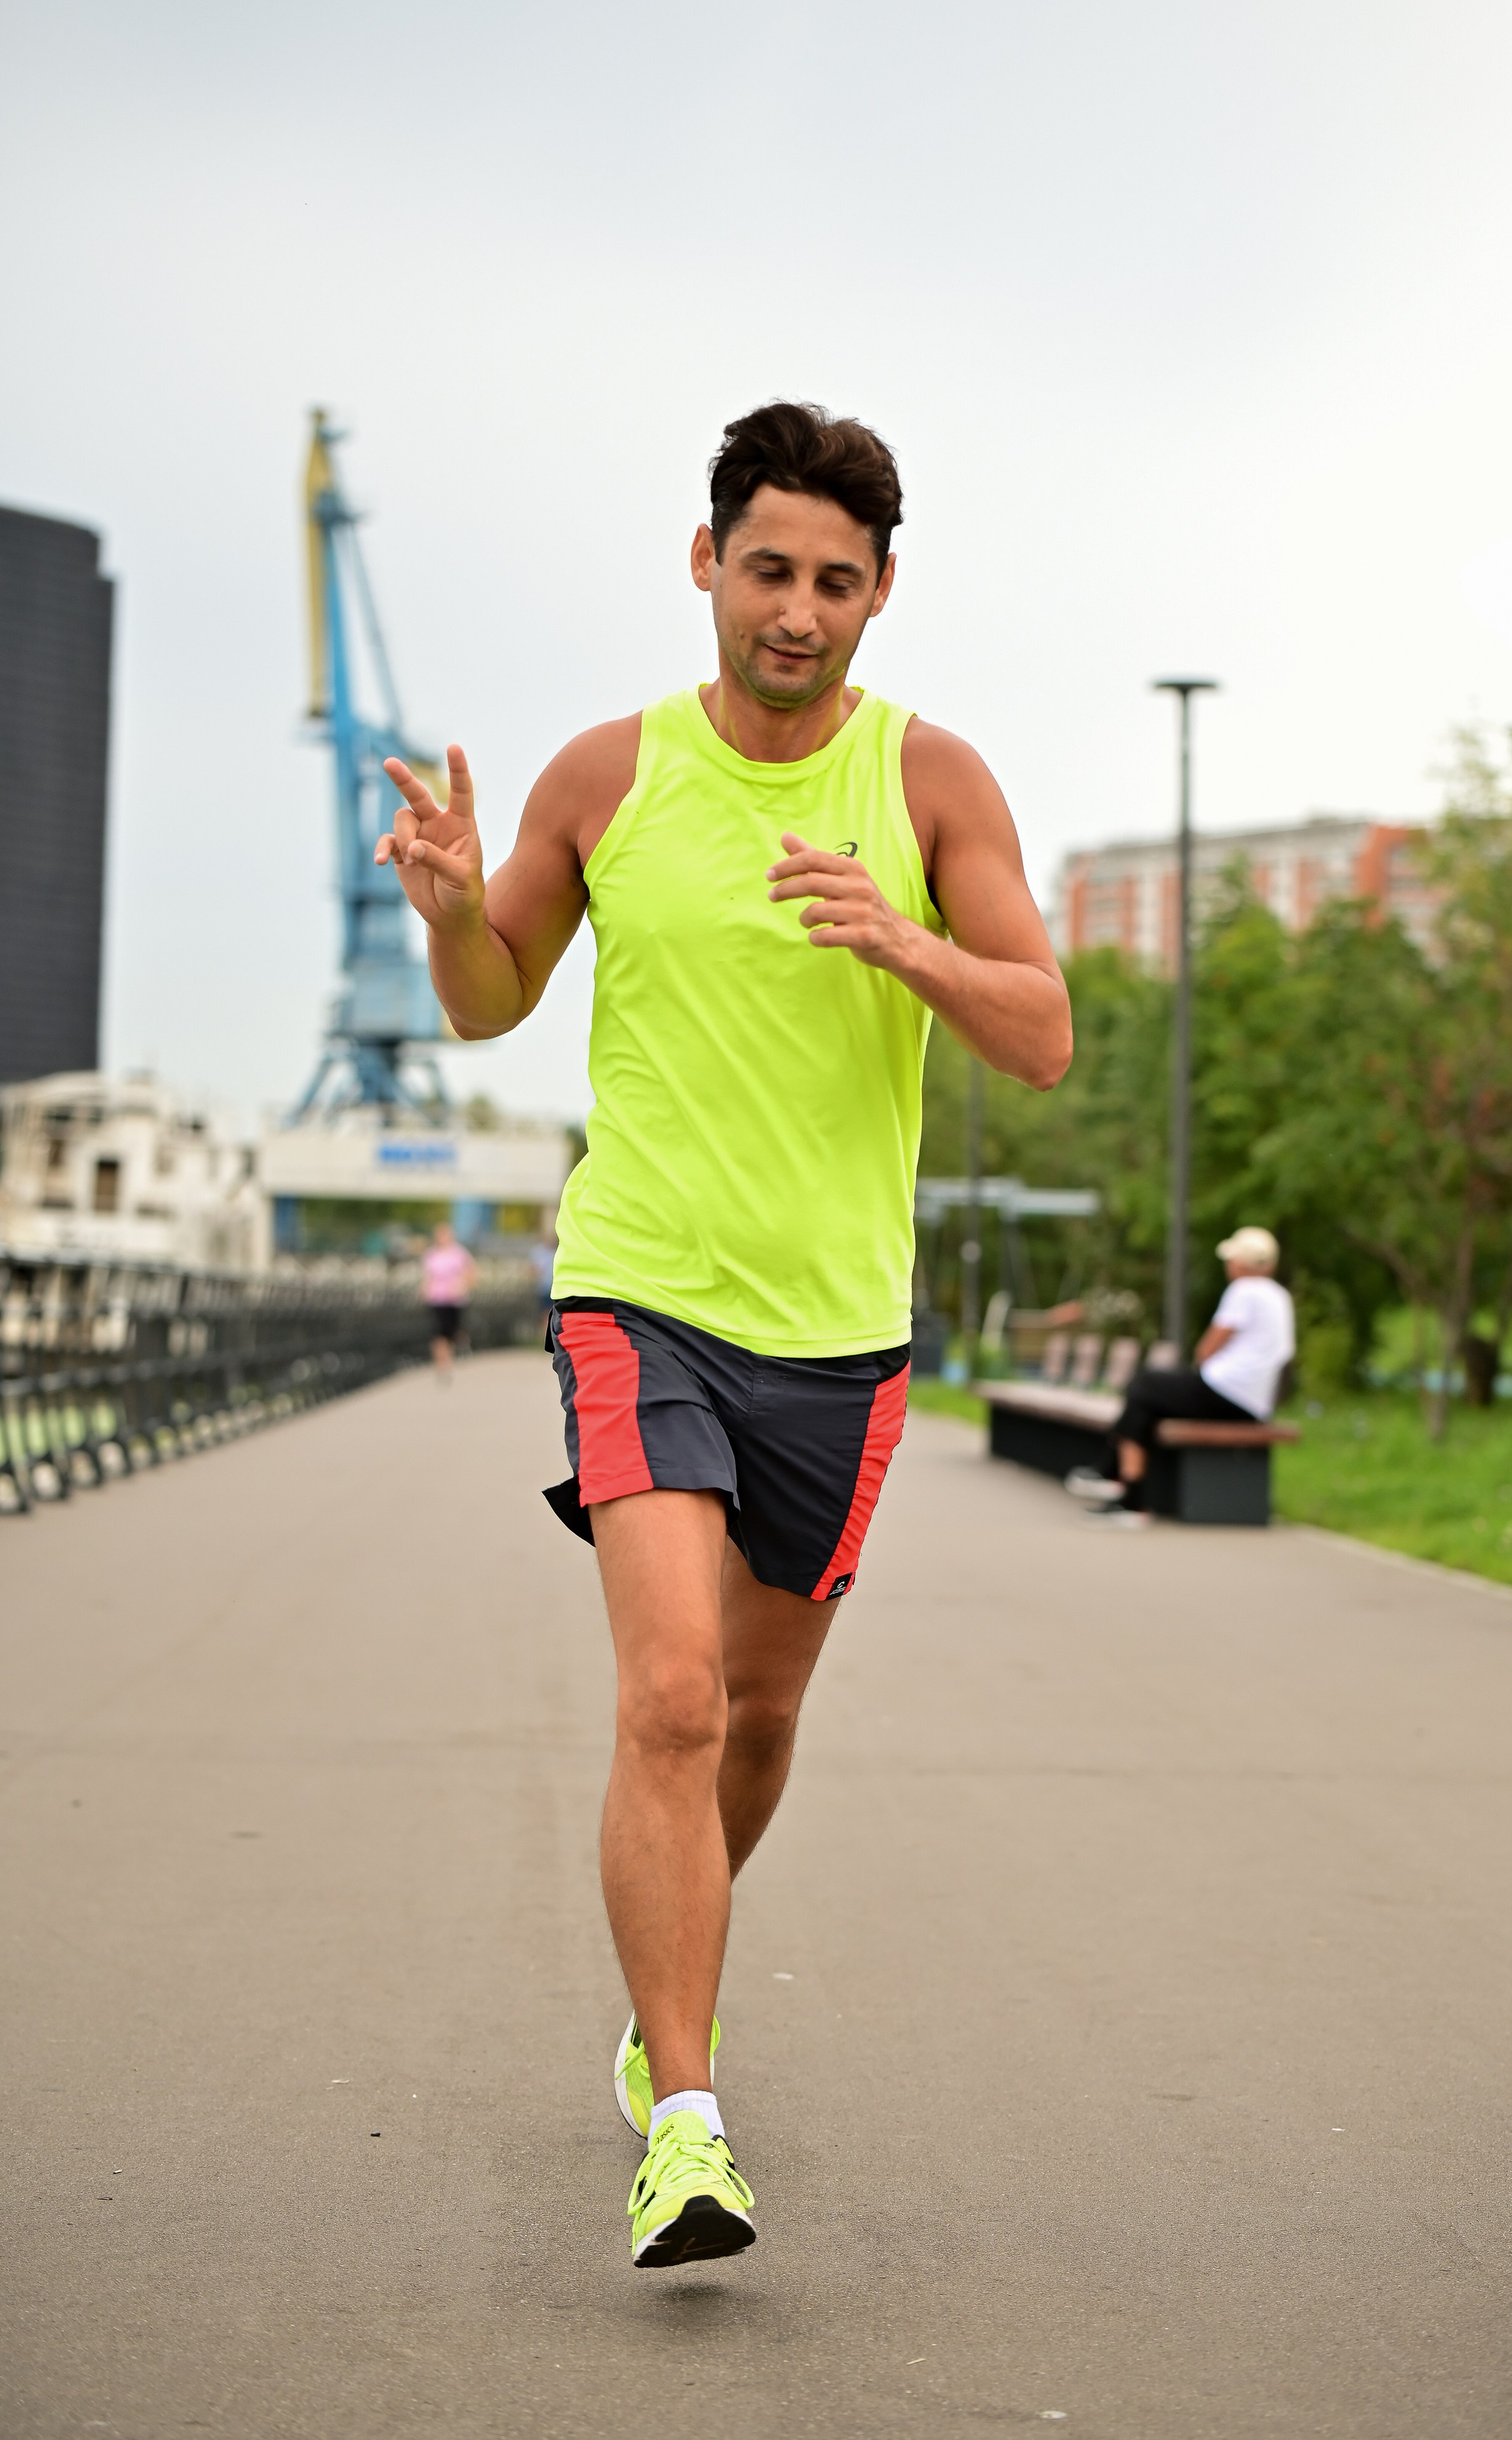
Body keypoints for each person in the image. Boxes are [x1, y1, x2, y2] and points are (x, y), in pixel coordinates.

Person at [373, 402, 1072, 2267]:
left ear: (882, 595)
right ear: (707, 563)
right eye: (768, 568)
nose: (798, 610)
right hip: (640, 1292)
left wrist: (909, 944)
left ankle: (651, 1992)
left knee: (757, 1719)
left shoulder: (936, 788)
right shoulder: (608, 776)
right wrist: (452, 913)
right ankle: (686, 2118)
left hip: (839, 1332)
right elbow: (489, 1004)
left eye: (838, 582)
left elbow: (1043, 1030)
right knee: (671, 1692)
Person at [1071, 1226, 1294, 1523]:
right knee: (1146, 1403)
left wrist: (1207, 1359)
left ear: (1239, 1263)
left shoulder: (1243, 1291)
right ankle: (1123, 1490)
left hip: (1225, 1391)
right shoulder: (1280, 1297)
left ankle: (1117, 1482)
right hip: (1253, 1402)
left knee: (1144, 1384)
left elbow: (1207, 1349)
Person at [421, 1220, 477, 1380]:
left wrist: (463, 1286)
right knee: (439, 1333)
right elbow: (427, 1276)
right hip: (437, 1299)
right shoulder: (431, 1254)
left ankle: (458, 1347)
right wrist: (425, 1290)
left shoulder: (459, 1253)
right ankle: (442, 1365)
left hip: (454, 1300)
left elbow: (472, 1273)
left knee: (452, 1332)